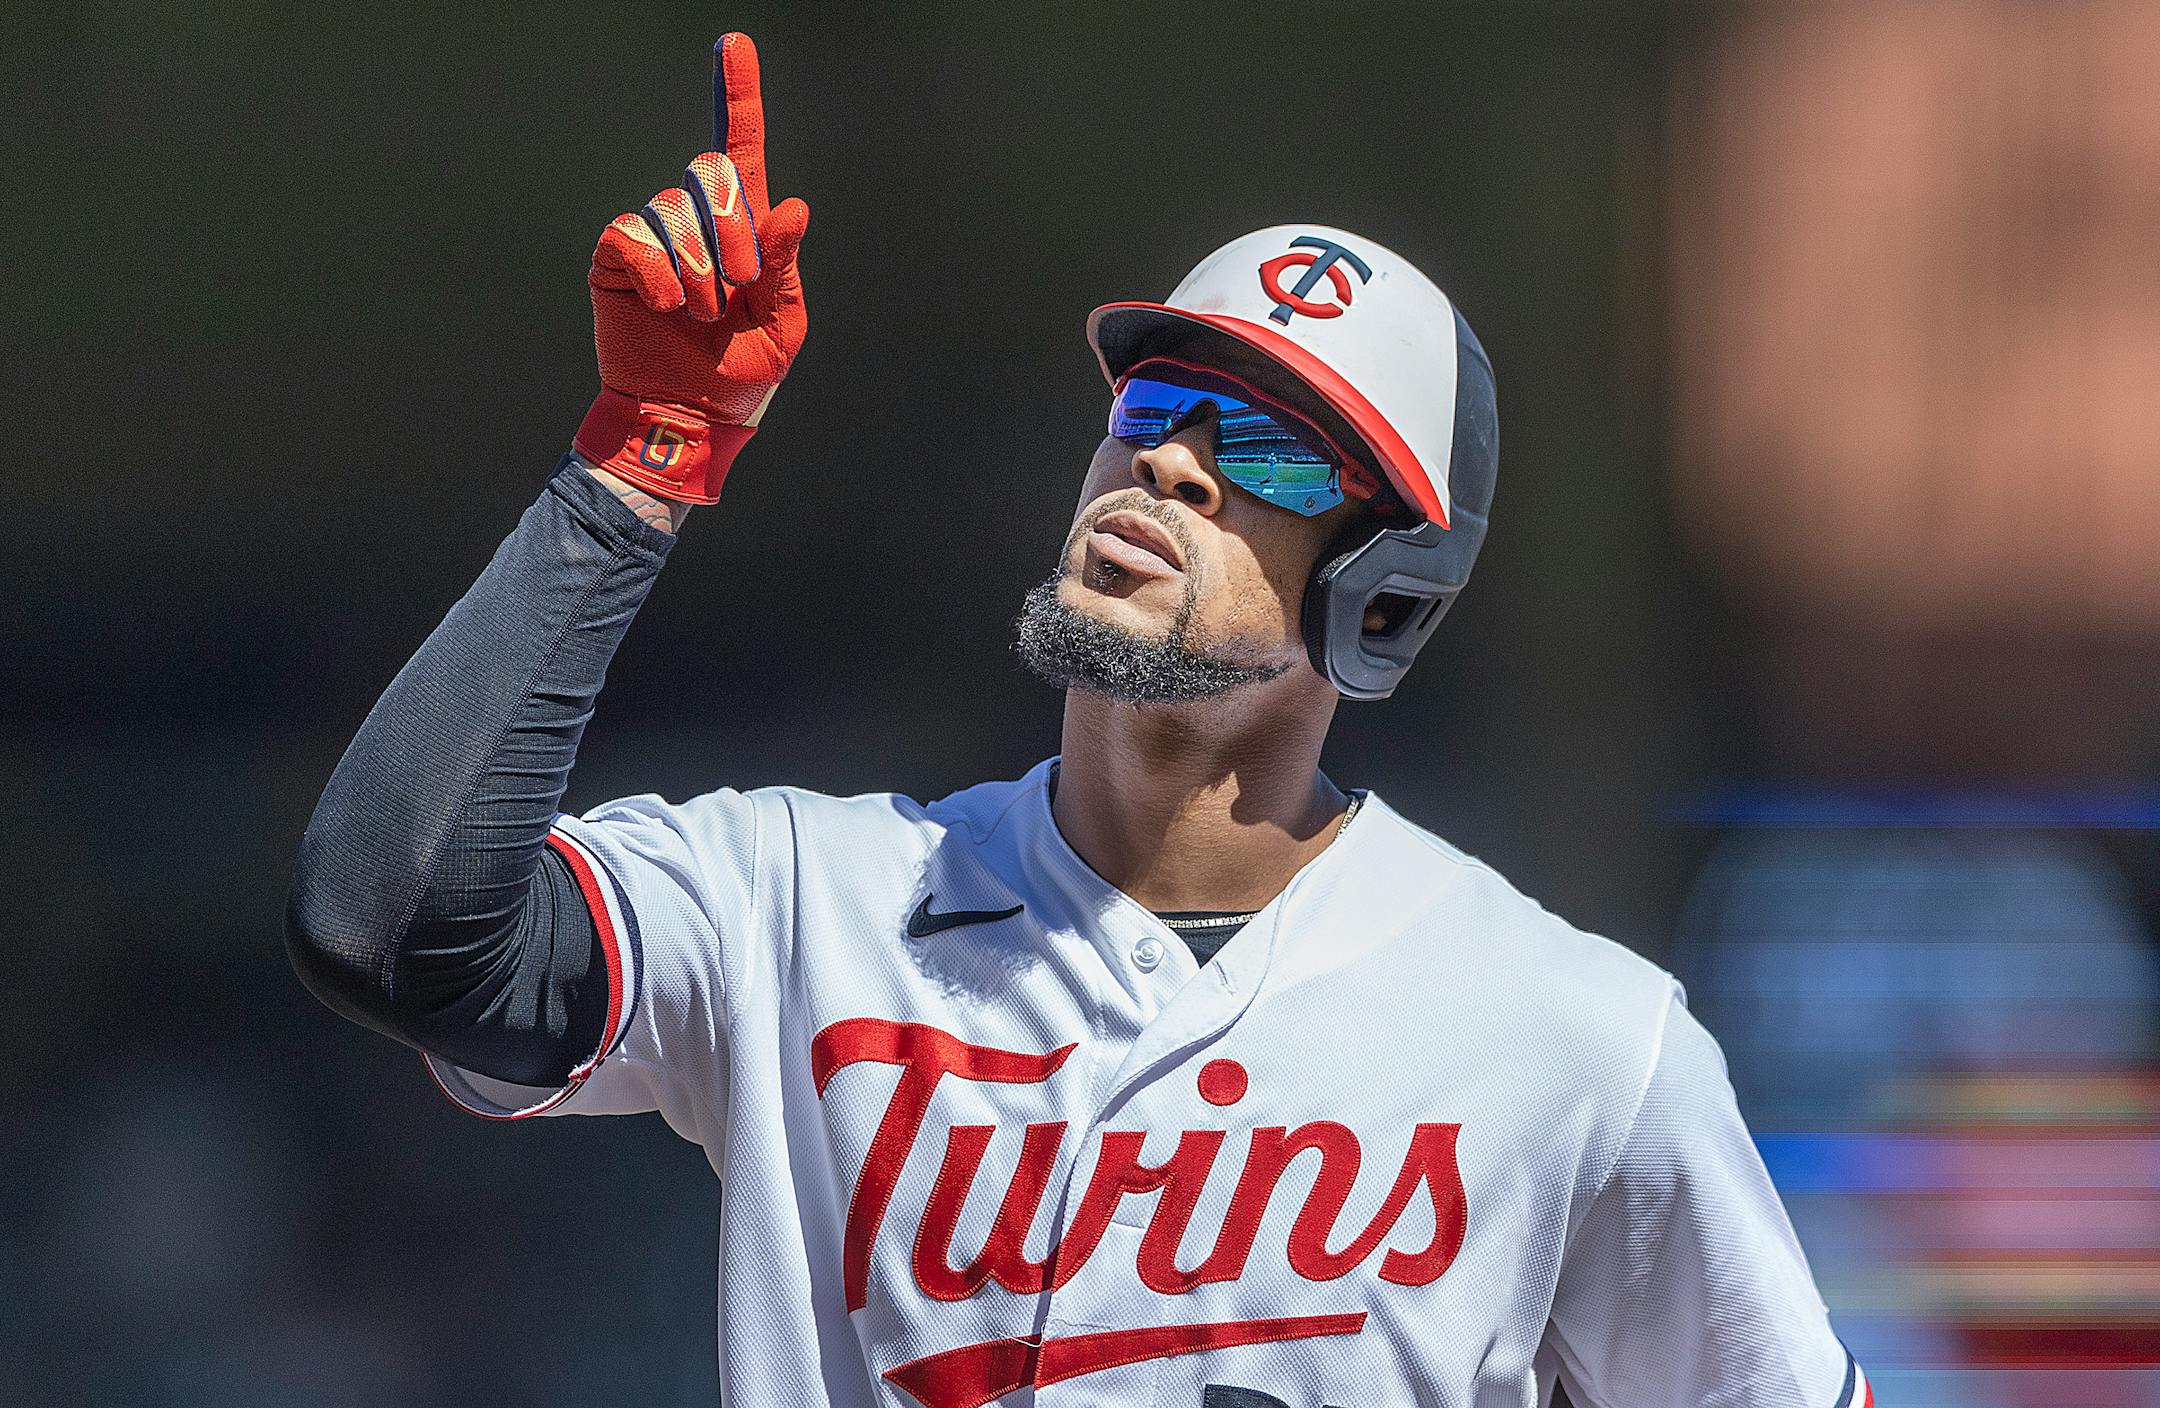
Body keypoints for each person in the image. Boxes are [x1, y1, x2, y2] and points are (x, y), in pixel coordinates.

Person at [286, 30, 1870, 1408]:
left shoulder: (1578, 1044)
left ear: (1384, 596)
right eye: (1157, 406)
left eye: (1271, 449)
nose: (1172, 462)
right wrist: (645, 452)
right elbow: (391, 927)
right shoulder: (797, 907)